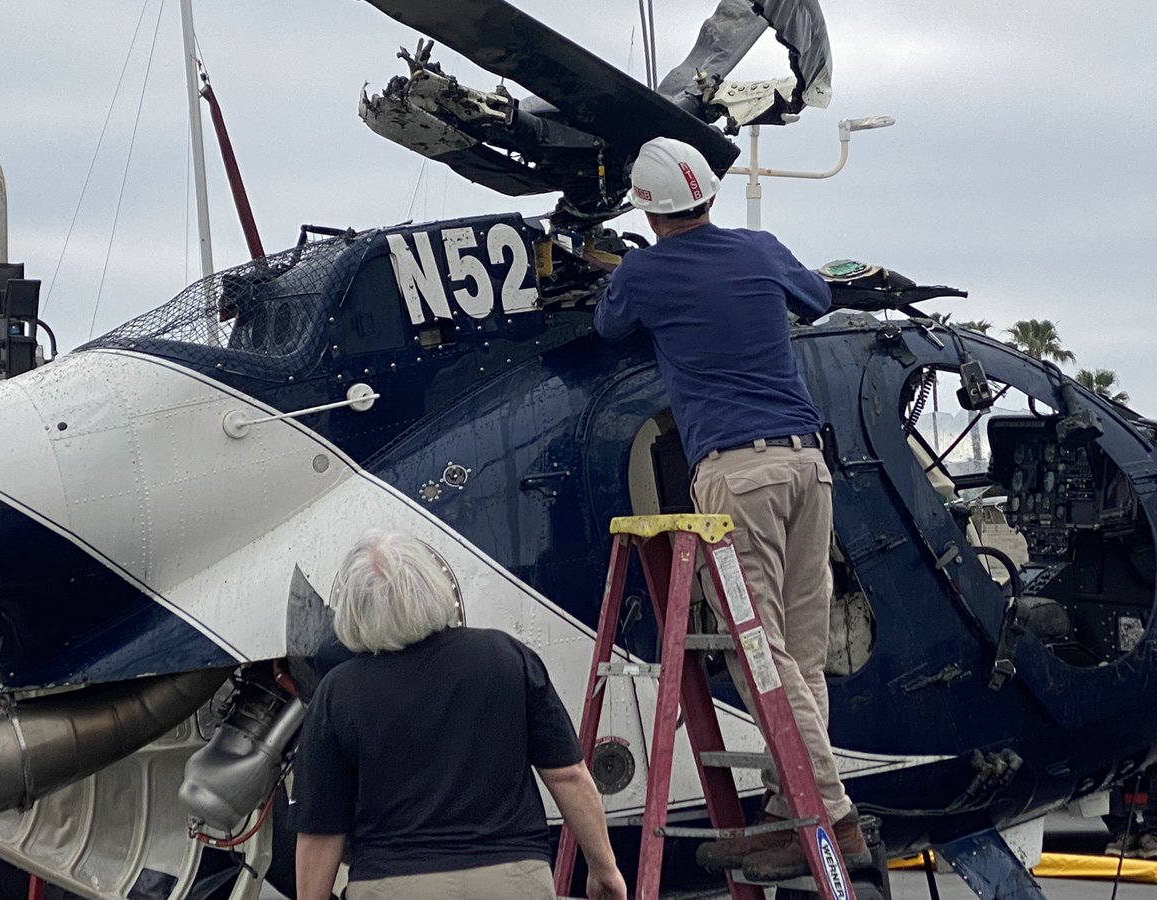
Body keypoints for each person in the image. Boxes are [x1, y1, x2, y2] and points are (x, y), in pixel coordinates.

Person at [593, 136, 870, 880]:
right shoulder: (760, 247)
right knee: (802, 652)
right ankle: (789, 809)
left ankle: (831, 814)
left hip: (736, 473)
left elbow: (607, 327)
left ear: (648, 211)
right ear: (711, 193)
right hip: (808, 467)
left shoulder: (645, 270)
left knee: (760, 654)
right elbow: (816, 294)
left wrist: (614, 266)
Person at [291, 529, 628, 900]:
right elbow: (568, 775)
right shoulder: (505, 657)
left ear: (353, 609)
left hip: (393, 883)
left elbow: (320, 831)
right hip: (512, 879)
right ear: (435, 587)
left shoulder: (337, 693)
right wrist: (604, 867)